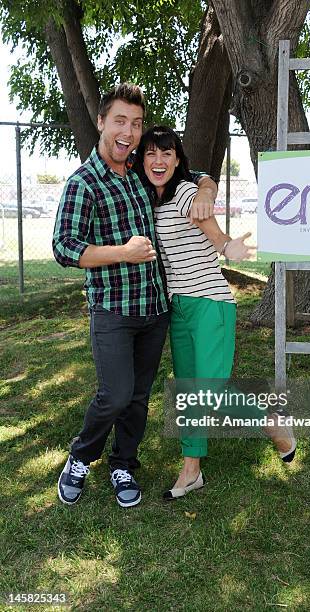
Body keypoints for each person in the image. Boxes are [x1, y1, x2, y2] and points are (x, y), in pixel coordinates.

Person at [53, 84, 218, 508]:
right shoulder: (84, 183)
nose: (129, 132)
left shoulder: (142, 175)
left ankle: (123, 462)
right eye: (121, 121)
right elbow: (64, 246)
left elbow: (191, 174)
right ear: (102, 122)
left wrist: (206, 189)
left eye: (137, 123)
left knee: (139, 397)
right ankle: (80, 456)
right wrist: (123, 254)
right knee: (116, 394)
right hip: (112, 309)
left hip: (154, 310)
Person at [136, 126, 296, 501]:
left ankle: (273, 424)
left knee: (211, 389)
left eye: (167, 154)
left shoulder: (187, 193)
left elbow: (208, 224)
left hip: (210, 304)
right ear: (141, 159)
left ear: (178, 161)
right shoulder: (151, 198)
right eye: (151, 154)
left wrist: (226, 245)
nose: (158, 162)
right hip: (179, 307)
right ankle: (192, 471)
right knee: (189, 392)